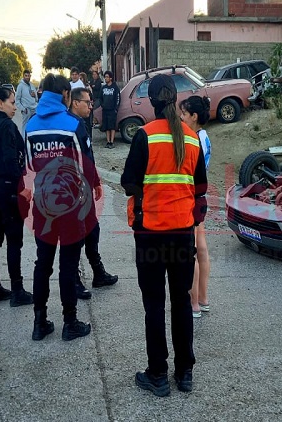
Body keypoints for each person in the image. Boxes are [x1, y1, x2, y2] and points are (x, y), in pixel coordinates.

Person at [121, 74, 208, 397]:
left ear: (152, 101)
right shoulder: (191, 137)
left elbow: (129, 182)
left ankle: (157, 373)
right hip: (182, 231)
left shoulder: (144, 136)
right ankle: (184, 372)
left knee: (154, 305)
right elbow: (200, 188)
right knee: (182, 301)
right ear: (174, 100)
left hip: (150, 234)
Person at [24, 73, 93, 341]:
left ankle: (39, 323)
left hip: (43, 206)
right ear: (65, 95)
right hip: (70, 206)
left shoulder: (30, 126)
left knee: (43, 264)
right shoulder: (73, 124)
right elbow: (85, 166)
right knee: (68, 263)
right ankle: (69, 322)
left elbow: (28, 168)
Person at [0, 86, 34, 307]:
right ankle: (17, 289)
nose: (15, 107)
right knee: (14, 240)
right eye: (12, 102)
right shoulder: (6, 127)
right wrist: (22, 188)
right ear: (0, 103)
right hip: (8, 188)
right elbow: (12, 161)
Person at [69, 87, 119, 299]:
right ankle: (74, 279)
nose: (91, 106)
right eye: (87, 102)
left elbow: (88, 157)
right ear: (74, 103)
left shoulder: (82, 123)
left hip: (86, 188)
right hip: (75, 191)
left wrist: (96, 181)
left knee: (92, 229)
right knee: (76, 236)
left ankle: (98, 272)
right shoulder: (69, 125)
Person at [179, 96, 212, 319]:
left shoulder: (193, 140)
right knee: (201, 248)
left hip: (190, 198)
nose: (181, 118)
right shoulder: (204, 136)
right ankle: (203, 298)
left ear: (194, 116)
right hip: (201, 197)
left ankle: (193, 304)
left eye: (183, 114)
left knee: (191, 250)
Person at [101, 70, 121, 148]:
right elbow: (100, 97)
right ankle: (108, 141)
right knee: (106, 126)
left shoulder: (115, 87)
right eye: (105, 77)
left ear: (111, 78)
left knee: (112, 126)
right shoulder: (103, 88)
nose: (105, 78)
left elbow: (118, 98)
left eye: (107, 77)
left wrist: (116, 108)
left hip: (112, 110)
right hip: (105, 110)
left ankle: (112, 142)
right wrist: (102, 105)